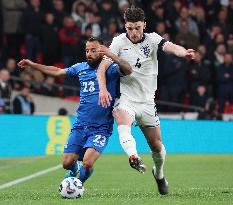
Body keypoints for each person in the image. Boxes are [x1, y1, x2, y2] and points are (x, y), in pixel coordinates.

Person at [97, 6, 195, 195]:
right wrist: (102, 89)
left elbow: (171, 47)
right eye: (130, 28)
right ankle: (133, 156)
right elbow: (102, 67)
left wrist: (184, 53)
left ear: (144, 25)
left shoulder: (153, 39)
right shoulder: (118, 42)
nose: (134, 32)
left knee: (157, 146)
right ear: (125, 26)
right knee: (121, 119)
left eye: (138, 28)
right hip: (127, 98)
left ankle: (158, 174)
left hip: (148, 103)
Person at [18, 37, 132, 185]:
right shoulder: (80, 67)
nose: (89, 53)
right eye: (87, 51)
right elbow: (57, 72)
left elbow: (128, 69)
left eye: (93, 50)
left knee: (88, 162)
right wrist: (33, 65)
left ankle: (78, 184)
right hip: (80, 125)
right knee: (66, 162)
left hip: (100, 128)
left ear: (101, 50)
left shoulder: (109, 68)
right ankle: (73, 169)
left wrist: (111, 55)